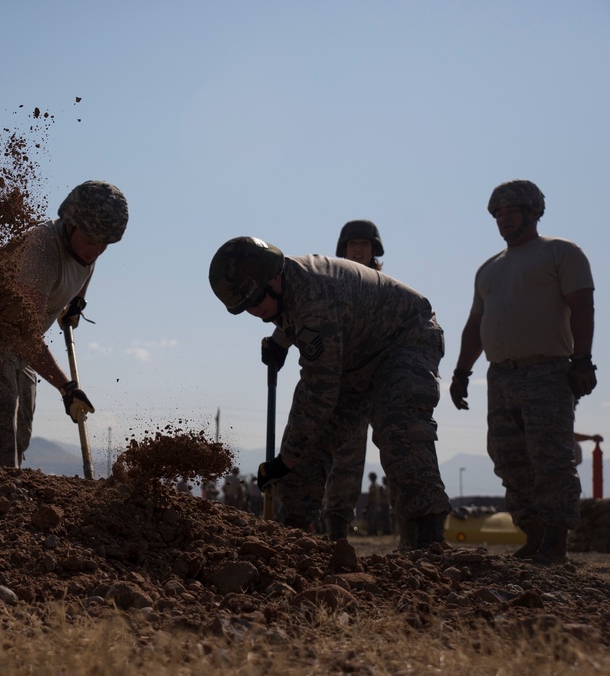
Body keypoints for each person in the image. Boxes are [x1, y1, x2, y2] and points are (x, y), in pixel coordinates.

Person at [209, 236, 453, 549]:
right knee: (309, 444)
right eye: (245, 308)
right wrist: (281, 341)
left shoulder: (315, 298)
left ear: (272, 278)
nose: (255, 311)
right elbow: (297, 314)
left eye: (256, 300)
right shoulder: (288, 286)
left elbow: (319, 394)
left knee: (398, 426)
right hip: (354, 354)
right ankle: (292, 537)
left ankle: (428, 538)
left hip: (403, 339)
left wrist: (284, 461)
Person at [451, 180, 596, 565]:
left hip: (547, 371)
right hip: (501, 376)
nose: (504, 218)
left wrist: (583, 359)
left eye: (512, 211)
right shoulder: (488, 269)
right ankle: (534, 535)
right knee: (507, 457)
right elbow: (475, 325)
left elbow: (582, 306)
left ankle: (556, 542)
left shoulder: (560, 253)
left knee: (550, 457)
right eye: (498, 213)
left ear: (533, 212)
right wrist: (462, 373)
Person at [0, 180, 128, 470]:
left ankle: (10, 494)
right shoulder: (42, 251)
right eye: (92, 240)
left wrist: (76, 303)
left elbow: (87, 269)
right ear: (70, 224)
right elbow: (26, 335)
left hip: (21, 345)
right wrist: (66, 388)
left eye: (105, 244)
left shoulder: (89, 249)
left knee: (20, 433)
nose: (97, 249)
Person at [262, 220, 386, 539]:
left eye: (364, 244)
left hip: (370, 376)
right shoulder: (330, 278)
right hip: (332, 377)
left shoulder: (381, 285)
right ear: (343, 250)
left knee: (364, 453)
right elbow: (306, 310)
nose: (358, 250)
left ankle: (340, 526)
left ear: (374, 250)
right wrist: (279, 340)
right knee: (325, 446)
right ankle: (306, 526)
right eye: (353, 244)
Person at [364, 471, 381, 536]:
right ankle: (374, 531)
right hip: (375, 503)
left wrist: (367, 504)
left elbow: (371, 495)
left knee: (371, 518)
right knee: (374, 518)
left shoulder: (373, 485)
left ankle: (372, 531)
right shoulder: (376, 485)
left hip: (372, 503)